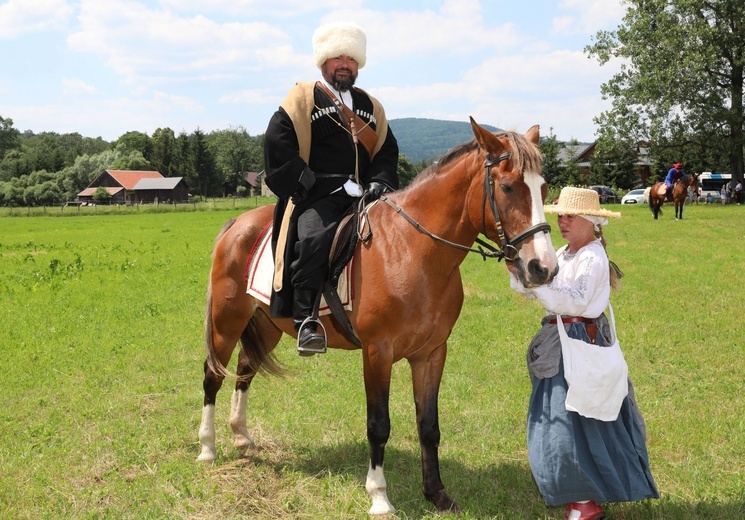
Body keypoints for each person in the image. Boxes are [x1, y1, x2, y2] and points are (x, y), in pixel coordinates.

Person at [510, 187, 658, 520]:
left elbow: (573, 300)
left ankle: (584, 503)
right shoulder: (564, 254)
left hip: (580, 344)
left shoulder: (593, 256)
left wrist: (538, 283)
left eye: (569, 216)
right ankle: (578, 499)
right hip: (562, 341)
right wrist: (520, 273)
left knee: (570, 426)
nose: (562, 221)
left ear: (589, 221)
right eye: (559, 215)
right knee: (562, 423)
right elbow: (541, 289)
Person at [263, 21, 399, 356]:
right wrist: (303, 179)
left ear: (358, 64)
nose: (344, 64)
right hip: (319, 195)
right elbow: (277, 141)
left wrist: (380, 181)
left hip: (366, 196)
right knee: (314, 237)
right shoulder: (303, 97)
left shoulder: (370, 106)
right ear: (324, 62)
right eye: (337, 57)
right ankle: (307, 319)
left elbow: (386, 150)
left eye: (351, 59)